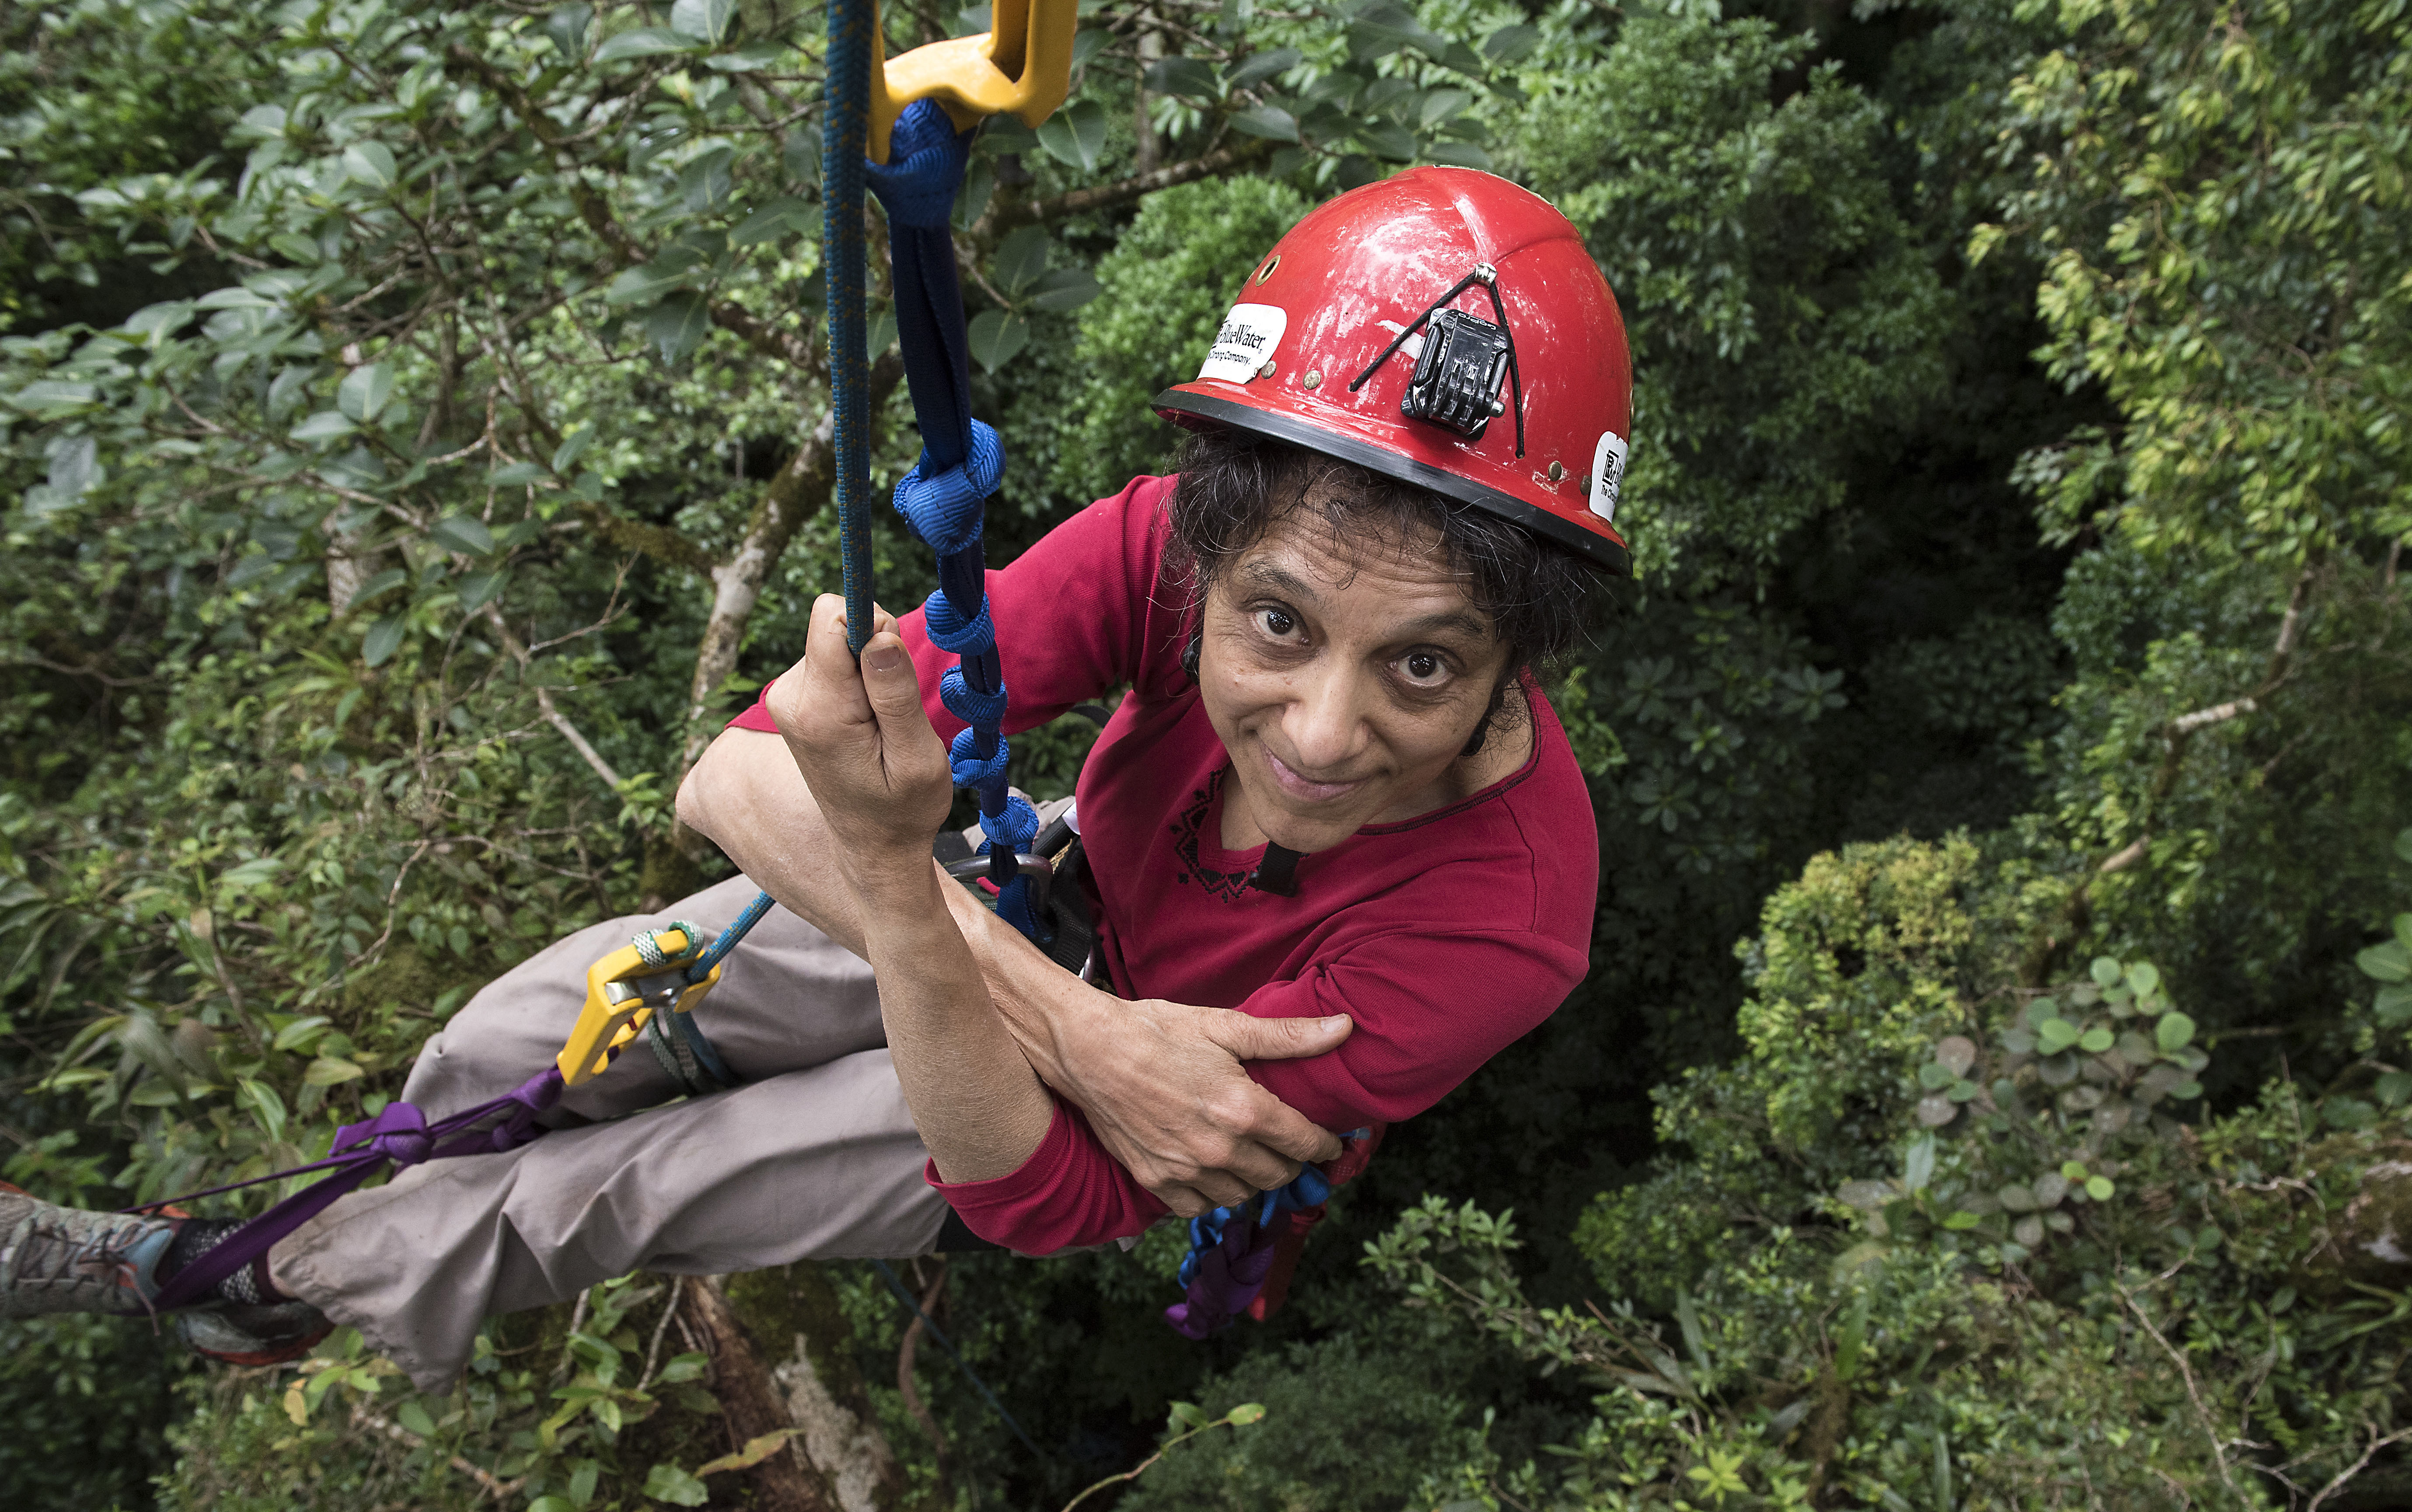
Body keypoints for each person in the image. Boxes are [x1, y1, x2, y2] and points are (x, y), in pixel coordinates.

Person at [0, 167, 1633, 1391]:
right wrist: (1081, 1022)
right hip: (1053, 924)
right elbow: (737, 780)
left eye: (1420, 663)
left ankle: (218, 1283)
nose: (1326, 731)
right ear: (1209, 552)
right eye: (1276, 625)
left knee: (621, 1189)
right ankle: (333, 1217)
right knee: (536, 1028)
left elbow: (1044, 1201)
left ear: (1521, 654)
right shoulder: (1162, 542)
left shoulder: (1504, 920)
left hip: (1049, 1110)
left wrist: (1006, 1001)